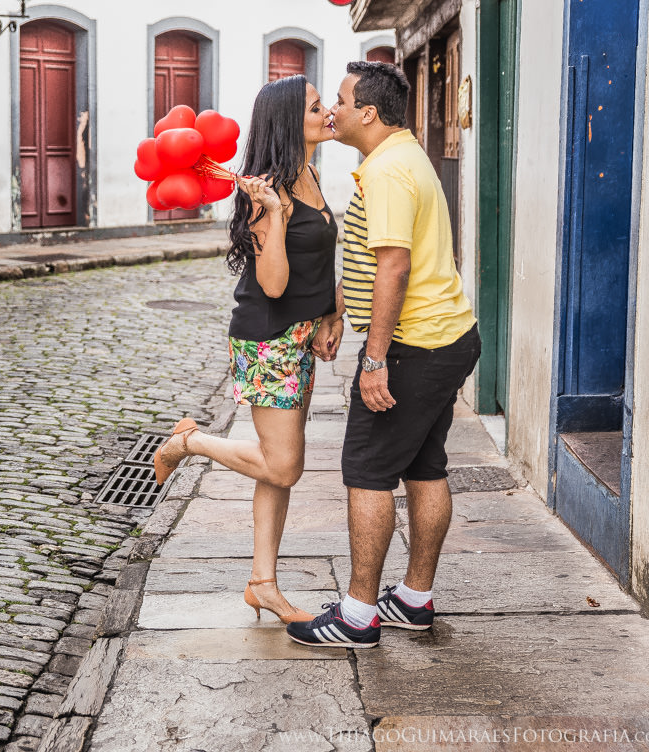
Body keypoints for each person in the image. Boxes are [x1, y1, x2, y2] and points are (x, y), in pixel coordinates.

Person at [286, 61, 480, 649]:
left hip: (414, 346)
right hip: (447, 337)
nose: (334, 111)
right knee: (424, 467)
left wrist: (374, 360)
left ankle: (358, 615)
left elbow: (393, 264)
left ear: (368, 112)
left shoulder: (390, 171)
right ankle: (413, 601)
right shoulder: (401, 155)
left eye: (341, 100)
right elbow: (375, 263)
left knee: (367, 472)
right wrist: (340, 310)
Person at [154, 75, 344, 624]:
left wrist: (332, 315)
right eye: (316, 106)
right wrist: (277, 218)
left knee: (274, 468)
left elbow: (318, 266)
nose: (328, 111)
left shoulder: (307, 173)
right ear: (289, 121)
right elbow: (278, 283)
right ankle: (189, 443)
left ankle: (263, 582)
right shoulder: (267, 197)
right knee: (283, 467)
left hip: (302, 335)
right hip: (268, 339)